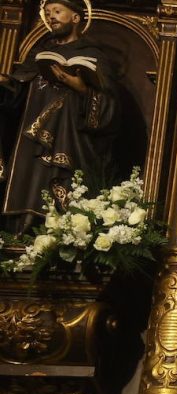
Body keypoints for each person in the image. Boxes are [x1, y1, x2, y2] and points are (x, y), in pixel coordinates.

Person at [0, 1, 120, 232]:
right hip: (30, 134)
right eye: (47, 13)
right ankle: (18, 230)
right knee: (28, 179)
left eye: (57, 11)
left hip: (70, 135)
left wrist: (82, 88)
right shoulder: (38, 53)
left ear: (76, 18)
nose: (52, 17)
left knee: (61, 180)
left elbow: (110, 106)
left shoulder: (93, 55)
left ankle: (58, 231)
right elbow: (16, 94)